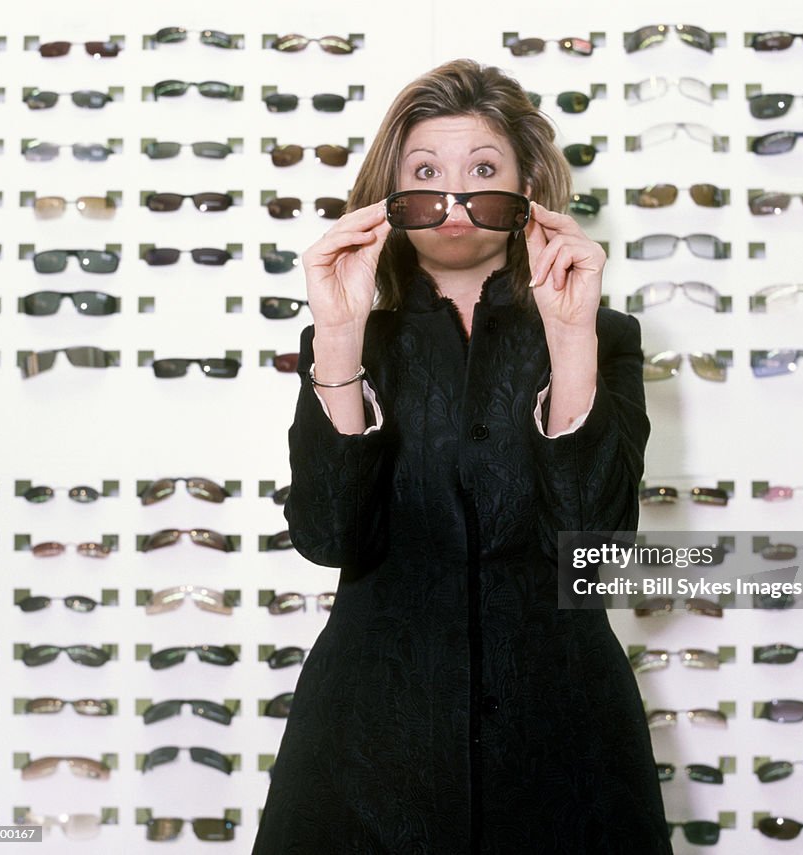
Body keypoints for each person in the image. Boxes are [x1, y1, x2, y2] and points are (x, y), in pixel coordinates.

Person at [252, 59, 669, 854]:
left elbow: (598, 547)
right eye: (425, 174)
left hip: (565, 751)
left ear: (526, 196)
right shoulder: (347, 341)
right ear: (389, 197)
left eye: (483, 171)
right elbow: (328, 535)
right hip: (371, 750)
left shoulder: (602, 335)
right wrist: (338, 336)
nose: (453, 198)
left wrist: (571, 335)